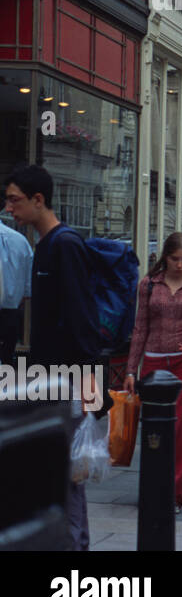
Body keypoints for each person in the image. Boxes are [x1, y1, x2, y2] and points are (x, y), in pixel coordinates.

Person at [5, 163, 105, 550]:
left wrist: (89, 389)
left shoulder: (65, 245)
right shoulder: (45, 246)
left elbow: (82, 321)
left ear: (38, 200)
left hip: (70, 382)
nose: (9, 208)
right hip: (51, 381)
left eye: (15, 200)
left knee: (67, 475)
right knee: (58, 474)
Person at [126, 232, 182, 512]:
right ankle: (154, 487)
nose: (179, 264)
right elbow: (140, 328)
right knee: (154, 428)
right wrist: (131, 370)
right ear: (164, 257)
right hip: (153, 362)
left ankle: (174, 493)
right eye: (174, 259)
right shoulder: (148, 285)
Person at [0, 213, 32, 368]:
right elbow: (28, 288)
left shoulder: (20, 241)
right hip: (11, 312)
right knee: (6, 364)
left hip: (11, 312)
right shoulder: (20, 241)